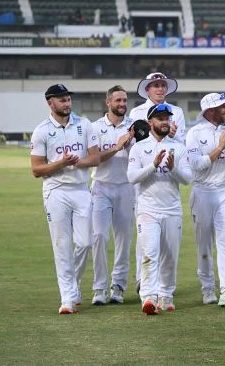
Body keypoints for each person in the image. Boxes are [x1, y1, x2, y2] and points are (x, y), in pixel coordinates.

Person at [30, 84, 100, 314]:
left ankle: (73, 286)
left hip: (81, 189)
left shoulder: (84, 124)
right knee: (62, 246)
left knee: (85, 243)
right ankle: (67, 299)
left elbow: (95, 158)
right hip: (56, 191)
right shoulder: (41, 131)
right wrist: (61, 163)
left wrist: (78, 162)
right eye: (62, 100)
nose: (67, 104)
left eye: (68, 99)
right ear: (50, 103)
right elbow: (36, 169)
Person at [127, 103, 192, 315]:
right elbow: (132, 177)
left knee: (170, 256)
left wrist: (172, 168)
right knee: (149, 252)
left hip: (172, 209)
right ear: (150, 122)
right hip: (148, 209)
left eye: (167, 119)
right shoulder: (139, 148)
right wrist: (153, 165)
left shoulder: (179, 148)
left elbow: (188, 179)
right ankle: (148, 297)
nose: (165, 122)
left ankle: (166, 294)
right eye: (160, 119)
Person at [186, 93, 225, 307]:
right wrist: (220, 147)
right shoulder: (194, 133)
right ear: (210, 111)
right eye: (222, 107)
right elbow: (196, 165)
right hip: (203, 192)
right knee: (204, 245)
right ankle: (208, 287)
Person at [90, 86, 135, 306]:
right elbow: (94, 158)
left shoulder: (134, 128)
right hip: (101, 187)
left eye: (124, 100)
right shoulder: (95, 127)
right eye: (118, 100)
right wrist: (117, 147)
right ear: (108, 102)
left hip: (126, 187)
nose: (122, 104)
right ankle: (99, 288)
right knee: (99, 237)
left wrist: (133, 143)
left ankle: (118, 286)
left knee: (123, 239)